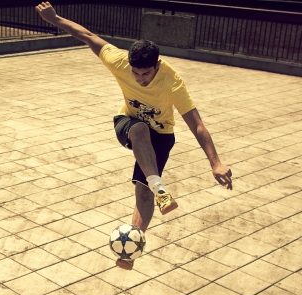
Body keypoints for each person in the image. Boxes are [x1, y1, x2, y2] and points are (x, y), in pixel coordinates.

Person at [35, 2, 233, 270]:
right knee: (139, 129)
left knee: (143, 191)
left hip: (162, 134)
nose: (140, 79)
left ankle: (128, 253)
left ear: (157, 66)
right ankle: (160, 187)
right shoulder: (119, 61)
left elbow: (197, 125)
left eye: (146, 74)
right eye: (136, 73)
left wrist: (215, 162)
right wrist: (55, 18)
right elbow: (88, 36)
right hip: (127, 122)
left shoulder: (172, 82)